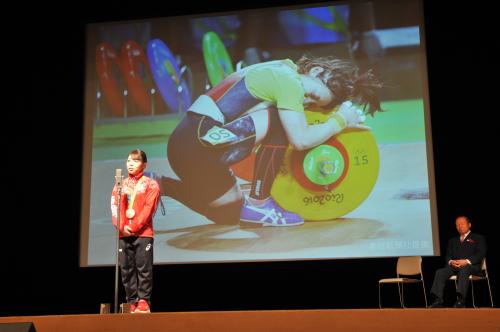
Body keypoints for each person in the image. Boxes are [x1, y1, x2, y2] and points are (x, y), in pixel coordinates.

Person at [158, 55, 383, 227]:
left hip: (189, 144)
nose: (305, 102)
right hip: (198, 141)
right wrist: (340, 121)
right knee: (282, 121)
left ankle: (158, 186)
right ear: (315, 70)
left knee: (228, 213)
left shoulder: (280, 68)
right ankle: (259, 203)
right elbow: (301, 140)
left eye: (311, 103)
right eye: (312, 95)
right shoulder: (289, 82)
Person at [111, 149, 161, 313]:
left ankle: (143, 301)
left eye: (135, 161)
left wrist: (133, 228)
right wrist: (121, 226)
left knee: (143, 268)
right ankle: (131, 301)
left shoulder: (151, 184)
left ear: (144, 164)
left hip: (143, 234)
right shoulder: (121, 185)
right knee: (126, 269)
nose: (130, 164)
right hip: (123, 233)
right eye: (128, 161)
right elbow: (114, 207)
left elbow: (148, 210)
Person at [429, 216, 487, 308]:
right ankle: (438, 299)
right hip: (455, 266)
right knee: (440, 272)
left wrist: (467, 261)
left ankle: (461, 300)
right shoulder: (452, 240)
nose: (460, 226)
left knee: (464, 270)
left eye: (462, 224)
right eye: (457, 225)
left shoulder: (478, 238)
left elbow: (480, 254)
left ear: (469, 225)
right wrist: (451, 261)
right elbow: (448, 255)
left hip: (471, 267)